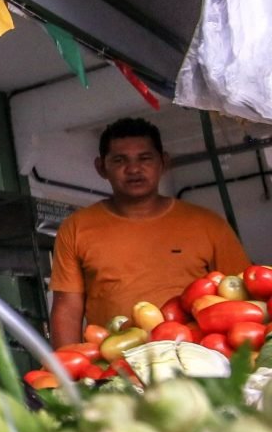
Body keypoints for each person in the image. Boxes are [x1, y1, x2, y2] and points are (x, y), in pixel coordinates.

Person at [49, 117, 249, 347]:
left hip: (201, 358)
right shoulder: (75, 228)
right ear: (101, 167)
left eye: (145, 158)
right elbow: (67, 310)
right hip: (116, 367)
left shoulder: (208, 224)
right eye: (119, 160)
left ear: (163, 162)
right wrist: (67, 374)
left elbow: (244, 297)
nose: (133, 169)